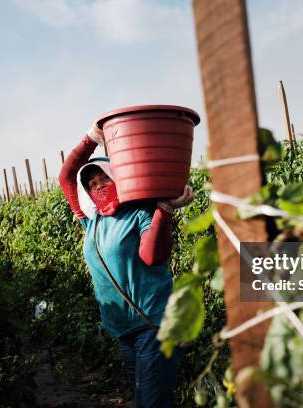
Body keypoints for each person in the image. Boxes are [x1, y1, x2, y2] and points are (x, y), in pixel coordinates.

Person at [58, 122, 194, 407]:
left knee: (151, 402)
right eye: (92, 185)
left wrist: (165, 211)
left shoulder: (140, 212)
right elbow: (67, 176)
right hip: (124, 331)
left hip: (154, 326)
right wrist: (92, 137)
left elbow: (152, 256)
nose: (98, 187)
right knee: (145, 398)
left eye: (104, 180)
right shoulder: (91, 221)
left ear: (118, 178)